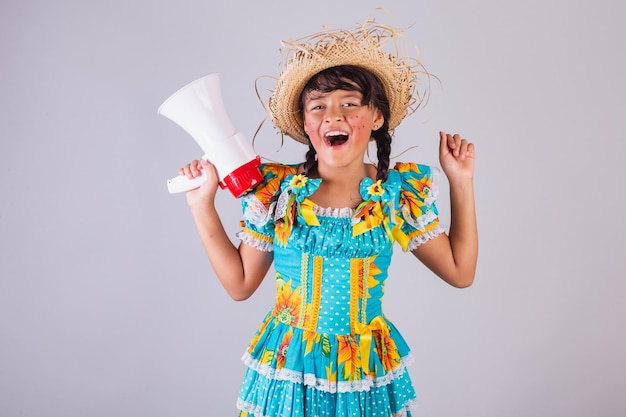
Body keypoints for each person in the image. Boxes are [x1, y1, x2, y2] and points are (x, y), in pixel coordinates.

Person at [178, 19, 477, 417]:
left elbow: (460, 272)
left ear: (376, 118)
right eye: (318, 107)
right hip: (290, 370)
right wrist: (202, 206)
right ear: (306, 125)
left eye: (349, 103)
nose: (333, 115)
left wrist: (461, 182)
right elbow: (239, 284)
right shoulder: (278, 193)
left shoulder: (398, 194)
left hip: (364, 369)